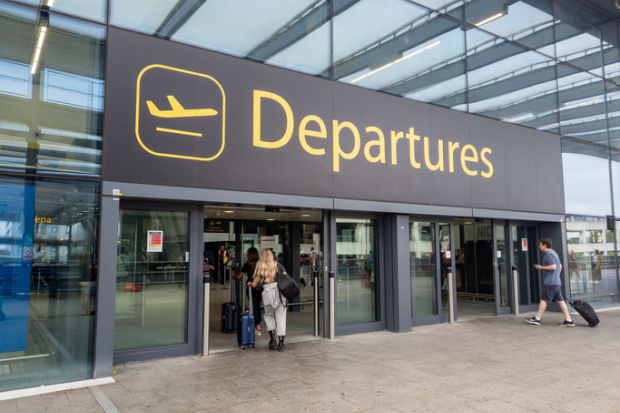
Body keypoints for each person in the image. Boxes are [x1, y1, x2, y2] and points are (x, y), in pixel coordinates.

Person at [525, 239, 574, 327]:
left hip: (550, 283)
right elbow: (560, 266)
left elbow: (554, 267)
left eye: (540, 245)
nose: (539, 247)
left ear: (545, 245)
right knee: (560, 301)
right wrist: (556, 275)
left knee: (543, 300)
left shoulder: (549, 254)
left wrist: (541, 267)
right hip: (556, 282)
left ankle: (537, 319)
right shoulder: (554, 253)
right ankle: (569, 320)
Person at [249, 248, 287, 351]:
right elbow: (285, 277)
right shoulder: (277, 265)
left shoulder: (260, 266)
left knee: (268, 315)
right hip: (279, 294)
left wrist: (250, 283)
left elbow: (254, 283)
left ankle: (273, 340)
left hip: (267, 293)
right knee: (281, 316)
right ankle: (281, 343)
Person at [234, 247, 261, 335]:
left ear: (250, 255)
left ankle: (257, 326)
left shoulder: (247, 264)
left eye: (247, 253)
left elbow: (239, 277)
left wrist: (234, 275)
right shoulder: (260, 263)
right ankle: (258, 325)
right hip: (260, 287)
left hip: (250, 287)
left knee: (253, 306)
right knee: (257, 305)